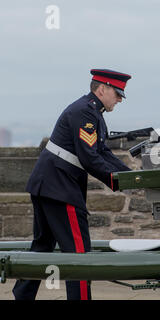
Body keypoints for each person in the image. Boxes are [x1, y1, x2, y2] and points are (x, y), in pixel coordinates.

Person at [12, 69, 132, 300]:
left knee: (41, 249)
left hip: (48, 185)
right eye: (117, 94)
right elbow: (90, 158)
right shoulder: (86, 112)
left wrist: (129, 175)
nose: (119, 99)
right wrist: (118, 180)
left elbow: (102, 152)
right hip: (60, 189)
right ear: (102, 89)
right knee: (78, 254)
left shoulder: (91, 111)